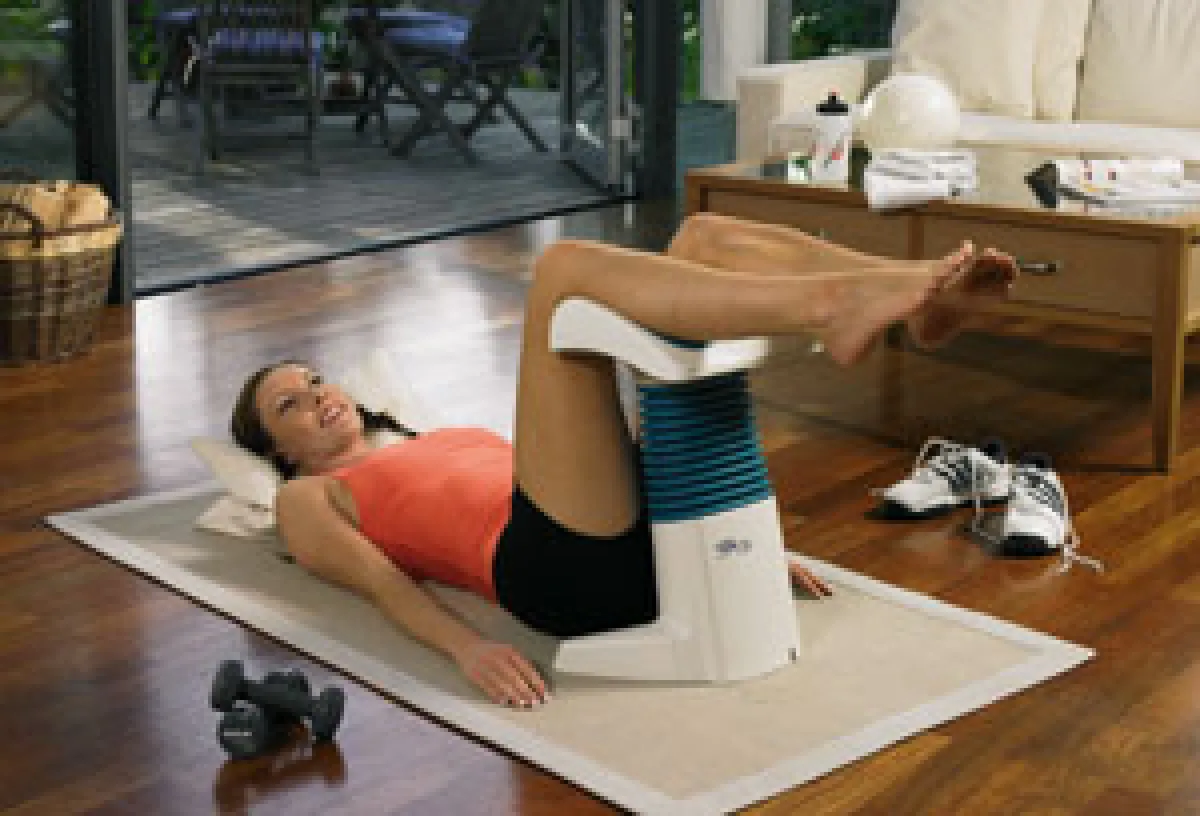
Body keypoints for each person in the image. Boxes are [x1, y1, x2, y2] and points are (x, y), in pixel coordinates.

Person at [230, 213, 1018, 709]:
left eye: (314, 380)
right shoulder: (307, 498)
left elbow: (588, 467)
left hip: (617, 528)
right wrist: (468, 648)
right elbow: (380, 585)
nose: (317, 397)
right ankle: (834, 304)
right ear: (276, 451)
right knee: (561, 270)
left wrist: (736, 545)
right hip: (556, 572)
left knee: (703, 238)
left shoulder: (425, 437)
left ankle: (915, 293)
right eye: (289, 406)